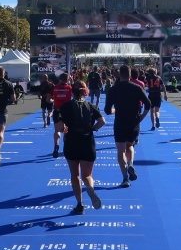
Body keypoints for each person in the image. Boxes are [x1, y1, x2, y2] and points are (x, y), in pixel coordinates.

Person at [59, 80, 106, 214]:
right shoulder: (90, 106)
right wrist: (92, 129)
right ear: (85, 91)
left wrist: (65, 128)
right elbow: (102, 121)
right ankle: (90, 188)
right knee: (87, 175)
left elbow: (59, 127)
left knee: (75, 175)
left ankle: (80, 205)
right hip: (87, 141)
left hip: (71, 141)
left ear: (72, 91)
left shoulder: (66, 106)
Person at [104, 65, 151, 188]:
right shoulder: (137, 88)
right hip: (133, 122)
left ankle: (125, 178)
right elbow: (148, 104)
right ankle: (130, 164)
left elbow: (107, 110)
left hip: (120, 122)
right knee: (130, 145)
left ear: (120, 75)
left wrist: (115, 110)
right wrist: (141, 117)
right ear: (130, 75)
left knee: (120, 151)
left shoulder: (113, 89)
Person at [51, 72, 74, 158]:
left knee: (57, 130)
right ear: (67, 79)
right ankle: (66, 146)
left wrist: (55, 100)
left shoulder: (55, 87)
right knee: (66, 130)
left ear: (60, 79)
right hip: (67, 111)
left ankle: (56, 145)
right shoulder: (70, 88)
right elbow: (75, 97)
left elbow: (49, 99)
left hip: (57, 110)